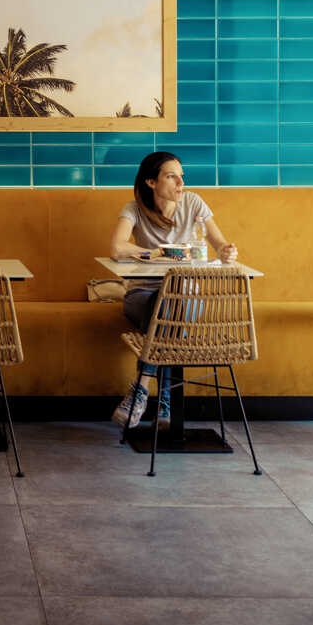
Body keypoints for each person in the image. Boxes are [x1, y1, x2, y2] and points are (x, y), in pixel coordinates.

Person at [108, 151, 239, 428]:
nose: (180, 183)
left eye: (182, 176)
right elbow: (117, 248)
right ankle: (165, 400)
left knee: (170, 303)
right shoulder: (134, 209)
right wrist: (156, 254)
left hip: (186, 296)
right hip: (141, 295)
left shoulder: (193, 202)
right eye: (171, 176)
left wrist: (227, 253)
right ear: (151, 182)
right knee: (164, 305)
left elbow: (219, 243)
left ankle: (140, 390)